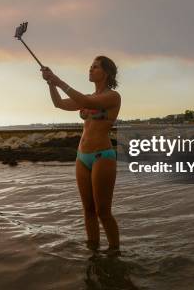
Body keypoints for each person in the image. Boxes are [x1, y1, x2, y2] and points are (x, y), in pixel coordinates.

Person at [41, 56, 121, 253]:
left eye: (95, 67)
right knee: (88, 210)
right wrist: (51, 84)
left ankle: (114, 253)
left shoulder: (113, 97)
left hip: (102, 156)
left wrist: (58, 80)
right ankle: (93, 252)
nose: (90, 70)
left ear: (106, 73)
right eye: (90, 67)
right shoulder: (85, 97)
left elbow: (86, 101)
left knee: (103, 212)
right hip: (81, 157)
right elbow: (58, 103)